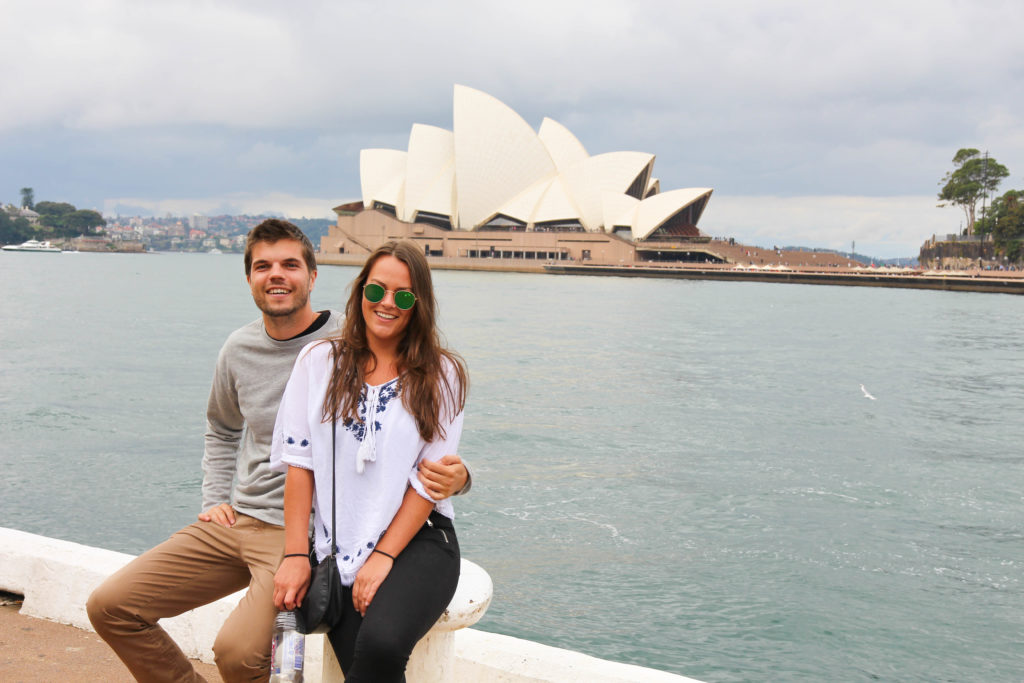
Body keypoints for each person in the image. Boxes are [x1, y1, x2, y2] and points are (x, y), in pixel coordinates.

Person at [86, 220, 470, 683]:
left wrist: (462, 478)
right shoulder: (251, 349)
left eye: (290, 264)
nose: (276, 275)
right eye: (263, 266)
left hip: (302, 534)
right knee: (110, 606)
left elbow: (421, 455)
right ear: (248, 277)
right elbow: (221, 428)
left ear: (313, 275)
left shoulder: (355, 341)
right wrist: (214, 501)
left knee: (241, 653)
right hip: (242, 520)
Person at [271, 240, 466, 682]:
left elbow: (429, 482)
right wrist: (296, 553)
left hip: (419, 540)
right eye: (376, 291)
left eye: (403, 296)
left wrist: (381, 556)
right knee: (367, 662)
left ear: (419, 305)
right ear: (360, 291)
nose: (386, 304)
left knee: (380, 646)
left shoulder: (443, 374)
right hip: (336, 546)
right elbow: (301, 466)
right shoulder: (318, 362)